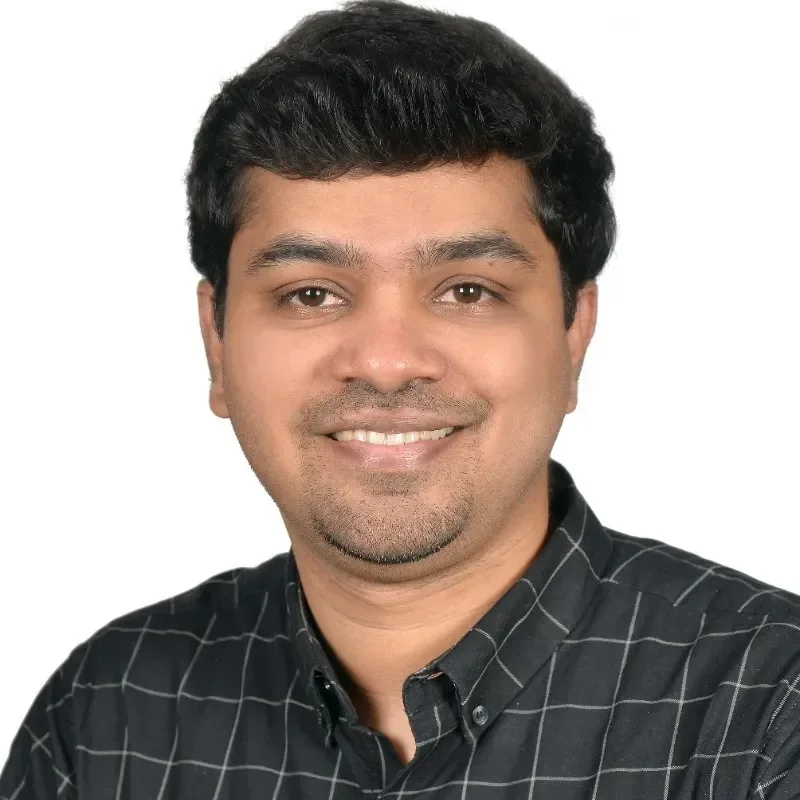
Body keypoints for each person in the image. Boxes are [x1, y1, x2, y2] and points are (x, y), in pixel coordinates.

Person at [2, 0, 798, 797]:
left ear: (571, 337)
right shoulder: (108, 716)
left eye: (467, 290)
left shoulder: (768, 712)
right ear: (217, 342)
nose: (386, 364)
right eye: (311, 294)